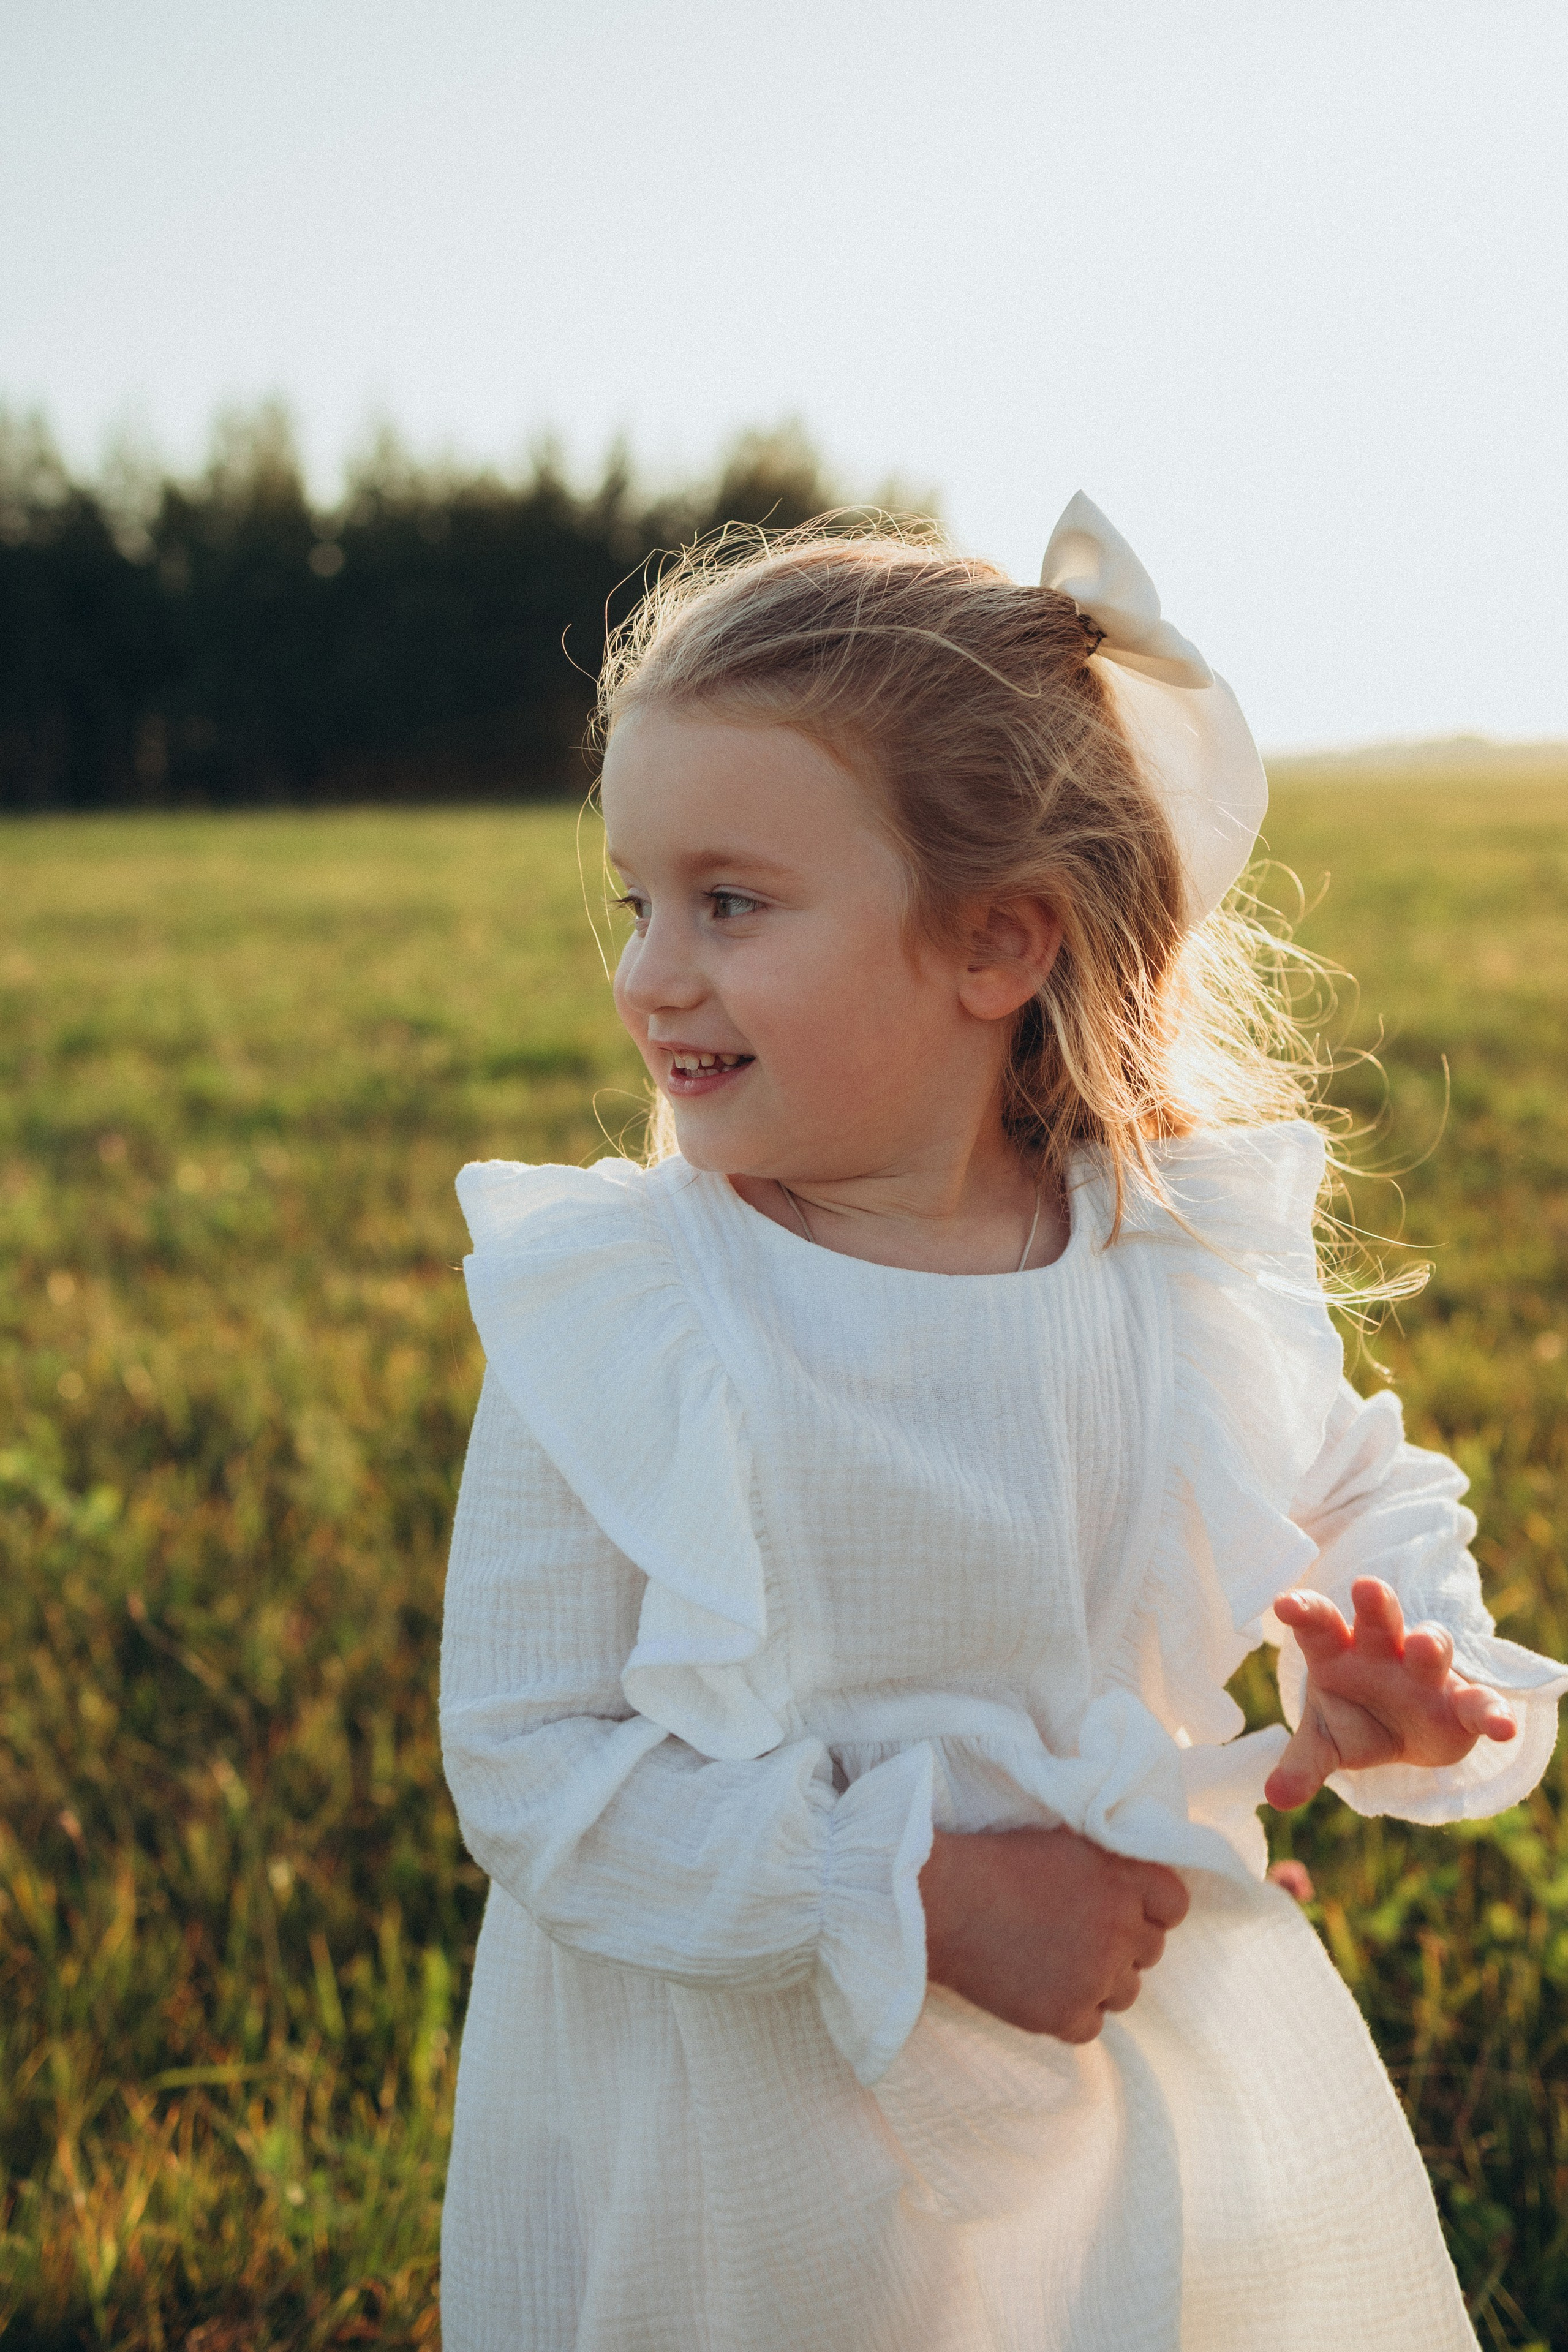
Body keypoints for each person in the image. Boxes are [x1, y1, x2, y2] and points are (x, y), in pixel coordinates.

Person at [437, 496, 1566, 2351]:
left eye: (732, 902)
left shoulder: (1173, 1263)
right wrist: (923, 1892)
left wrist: (1405, 1673)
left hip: (1126, 2048)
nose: (649, 973)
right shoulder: (637, 1317)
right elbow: (538, 1764)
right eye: (640, 901)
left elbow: (1355, 1487)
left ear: (994, 947)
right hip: (748, 2108)